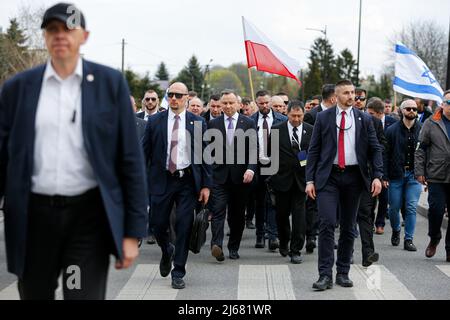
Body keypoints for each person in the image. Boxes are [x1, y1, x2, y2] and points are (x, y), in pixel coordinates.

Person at [0, 3, 148, 300]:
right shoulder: (19, 88)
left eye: (69, 29)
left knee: (80, 294)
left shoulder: (108, 85)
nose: (60, 36)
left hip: (86, 222)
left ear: (85, 36)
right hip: (34, 221)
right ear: (45, 36)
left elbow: (129, 159)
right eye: (53, 29)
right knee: (35, 294)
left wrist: (133, 231)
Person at [306, 79, 383, 291]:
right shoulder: (323, 117)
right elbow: (314, 150)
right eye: (347, 93)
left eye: (353, 93)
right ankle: (324, 275)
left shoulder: (364, 119)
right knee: (327, 223)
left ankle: (342, 272)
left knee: (349, 227)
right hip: (328, 177)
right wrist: (310, 180)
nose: (352, 97)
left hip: (354, 177)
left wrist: (377, 175)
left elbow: (375, 149)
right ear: (336, 96)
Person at [142, 82, 212, 289]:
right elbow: (143, 152)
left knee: (183, 225)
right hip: (161, 179)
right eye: (170, 94)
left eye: (178, 95)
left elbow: (204, 155)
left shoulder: (197, 122)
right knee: (157, 224)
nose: (174, 98)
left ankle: (178, 271)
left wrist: (206, 185)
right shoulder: (155, 121)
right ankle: (167, 250)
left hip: (186, 181)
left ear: (186, 99)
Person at [208, 89, 257, 261]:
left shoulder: (248, 122)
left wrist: (251, 168)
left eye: (231, 103)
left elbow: (253, 148)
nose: (228, 106)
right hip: (219, 177)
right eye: (224, 103)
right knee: (218, 211)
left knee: (237, 215)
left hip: (241, 177)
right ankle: (217, 246)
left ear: (238, 104)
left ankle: (233, 247)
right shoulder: (213, 124)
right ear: (220, 105)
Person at [268, 100, 313, 263]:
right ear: (287, 114)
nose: (296, 119)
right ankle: (284, 241)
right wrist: (272, 178)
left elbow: (313, 155)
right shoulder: (276, 130)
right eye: (293, 115)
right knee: (281, 215)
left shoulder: (310, 130)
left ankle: (296, 249)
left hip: (302, 181)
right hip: (281, 180)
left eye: (299, 116)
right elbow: (270, 154)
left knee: (299, 216)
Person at [415, 90, 450, 262]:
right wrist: (420, 171)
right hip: (436, 175)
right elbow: (421, 150)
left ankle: (449, 249)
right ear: (442, 104)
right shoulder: (431, 122)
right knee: (436, 210)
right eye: (448, 103)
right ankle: (434, 237)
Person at [384, 100, 422, 252]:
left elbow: (426, 152)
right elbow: (385, 155)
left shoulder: (422, 129)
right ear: (401, 111)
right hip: (396, 175)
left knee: (411, 207)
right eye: (408, 108)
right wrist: (384, 176)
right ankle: (396, 230)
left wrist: (424, 174)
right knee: (394, 208)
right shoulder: (391, 130)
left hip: (414, 175)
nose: (412, 111)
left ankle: (408, 239)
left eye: (414, 108)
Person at [251, 90, 287, 250]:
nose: (265, 106)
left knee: (273, 201)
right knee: (259, 201)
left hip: (275, 165)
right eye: (261, 103)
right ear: (256, 103)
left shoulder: (281, 119)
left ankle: (273, 236)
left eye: (267, 103)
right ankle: (260, 235)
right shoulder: (250, 121)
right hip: (257, 165)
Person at [366, 98, 397, 235]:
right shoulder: (366, 122)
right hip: (371, 166)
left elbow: (390, 146)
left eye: (371, 114)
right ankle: (370, 222)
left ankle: (380, 223)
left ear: (379, 113)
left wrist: (377, 148)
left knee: (384, 197)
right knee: (370, 197)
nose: (368, 116)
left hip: (387, 165)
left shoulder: (393, 123)